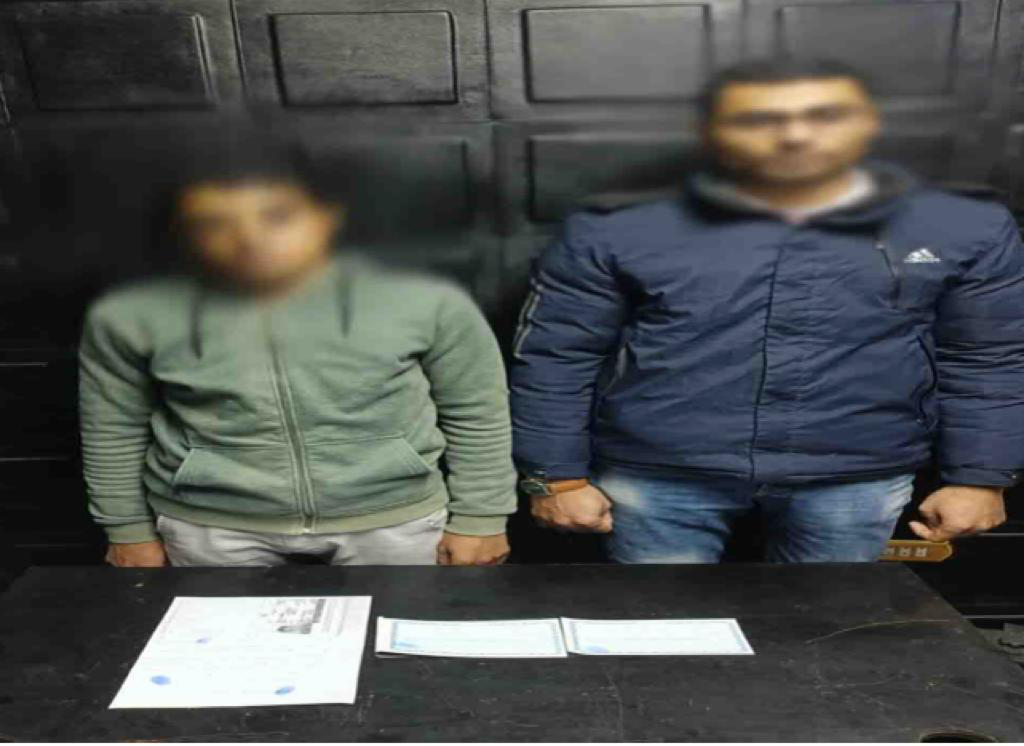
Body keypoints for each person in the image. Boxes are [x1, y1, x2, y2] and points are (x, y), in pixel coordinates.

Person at [510, 58, 1024, 563]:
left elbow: (987, 356)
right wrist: (555, 477)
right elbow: (558, 353)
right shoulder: (616, 227)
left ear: (869, 123)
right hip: (658, 474)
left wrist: (980, 477)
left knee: (827, 614)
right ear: (710, 131)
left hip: (855, 474)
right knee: (658, 615)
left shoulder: (962, 227)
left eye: (824, 115)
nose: (795, 135)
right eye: (759, 119)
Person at [79, 126, 516, 567]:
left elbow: (476, 409)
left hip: (393, 519)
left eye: (277, 216)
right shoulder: (131, 315)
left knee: (404, 615)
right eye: (214, 223)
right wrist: (127, 529)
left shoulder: (425, 301)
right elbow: (112, 426)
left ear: (326, 216)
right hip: (210, 526)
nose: (249, 239)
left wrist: (481, 518)